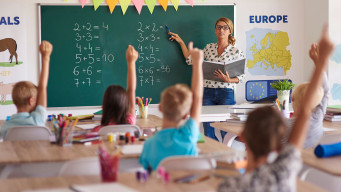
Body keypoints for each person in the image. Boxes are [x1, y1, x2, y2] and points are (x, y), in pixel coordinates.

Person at [218, 25, 334, 191]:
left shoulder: (230, 186)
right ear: (279, 146)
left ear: (242, 136)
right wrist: (320, 64)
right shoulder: (284, 172)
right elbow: (310, 108)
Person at [169, 17, 245, 141]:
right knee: (208, 130)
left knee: (228, 130)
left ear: (230, 31)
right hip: (207, 92)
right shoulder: (209, 48)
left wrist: (229, 80)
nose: (222, 30)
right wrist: (181, 42)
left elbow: (241, 77)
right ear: (215, 30)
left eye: (225, 28)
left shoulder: (236, 52)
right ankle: (214, 155)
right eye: (219, 27)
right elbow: (190, 60)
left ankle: (224, 155)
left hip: (225, 93)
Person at [139, 42, 203, 170]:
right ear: (186, 115)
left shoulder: (149, 144)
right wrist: (197, 64)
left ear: (160, 108)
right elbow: (197, 98)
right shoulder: (188, 136)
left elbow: (145, 173)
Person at [0, 41, 52, 138]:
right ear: (31, 100)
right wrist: (46, 57)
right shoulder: (38, 120)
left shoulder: (5, 128)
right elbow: (42, 87)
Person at [285, 43, 328, 148]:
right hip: (314, 162)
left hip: (292, 163)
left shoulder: (284, 125)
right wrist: (318, 63)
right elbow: (326, 91)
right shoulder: (317, 117)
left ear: (292, 99)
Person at [92, 45, 138, 132]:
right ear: (125, 105)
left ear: (103, 106)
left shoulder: (98, 131)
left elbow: (131, 91)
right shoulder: (130, 123)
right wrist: (131, 62)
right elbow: (131, 90)